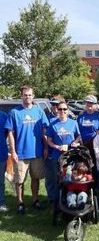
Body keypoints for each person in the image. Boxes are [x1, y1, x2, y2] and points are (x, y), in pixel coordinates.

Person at [5, 85, 49, 214]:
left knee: (35, 177)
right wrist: (13, 152)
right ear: (21, 96)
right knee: (19, 180)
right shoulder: (14, 112)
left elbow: (44, 131)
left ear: (33, 96)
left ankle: (35, 200)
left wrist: (46, 147)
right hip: (21, 153)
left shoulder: (39, 111)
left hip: (37, 152)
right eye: (25, 95)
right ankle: (20, 203)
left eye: (29, 95)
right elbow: (10, 133)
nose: (27, 97)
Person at [46, 101, 82, 203]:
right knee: (57, 179)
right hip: (57, 156)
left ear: (67, 110)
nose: (62, 111)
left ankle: (69, 198)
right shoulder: (53, 124)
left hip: (71, 156)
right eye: (60, 109)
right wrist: (56, 146)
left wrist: (75, 142)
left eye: (64, 109)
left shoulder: (73, 123)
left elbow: (78, 136)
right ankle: (57, 201)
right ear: (57, 110)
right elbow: (49, 140)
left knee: (70, 177)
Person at [77, 95, 99, 184]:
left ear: (95, 105)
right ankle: (85, 186)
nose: (89, 106)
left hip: (95, 145)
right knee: (84, 166)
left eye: (91, 104)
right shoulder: (81, 116)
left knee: (94, 166)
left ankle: (95, 187)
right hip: (83, 145)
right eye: (87, 103)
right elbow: (78, 131)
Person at [0, 110, 8, 212]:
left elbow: (8, 133)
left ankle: (1, 202)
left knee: (0, 181)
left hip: (1, 153)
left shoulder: (4, 116)